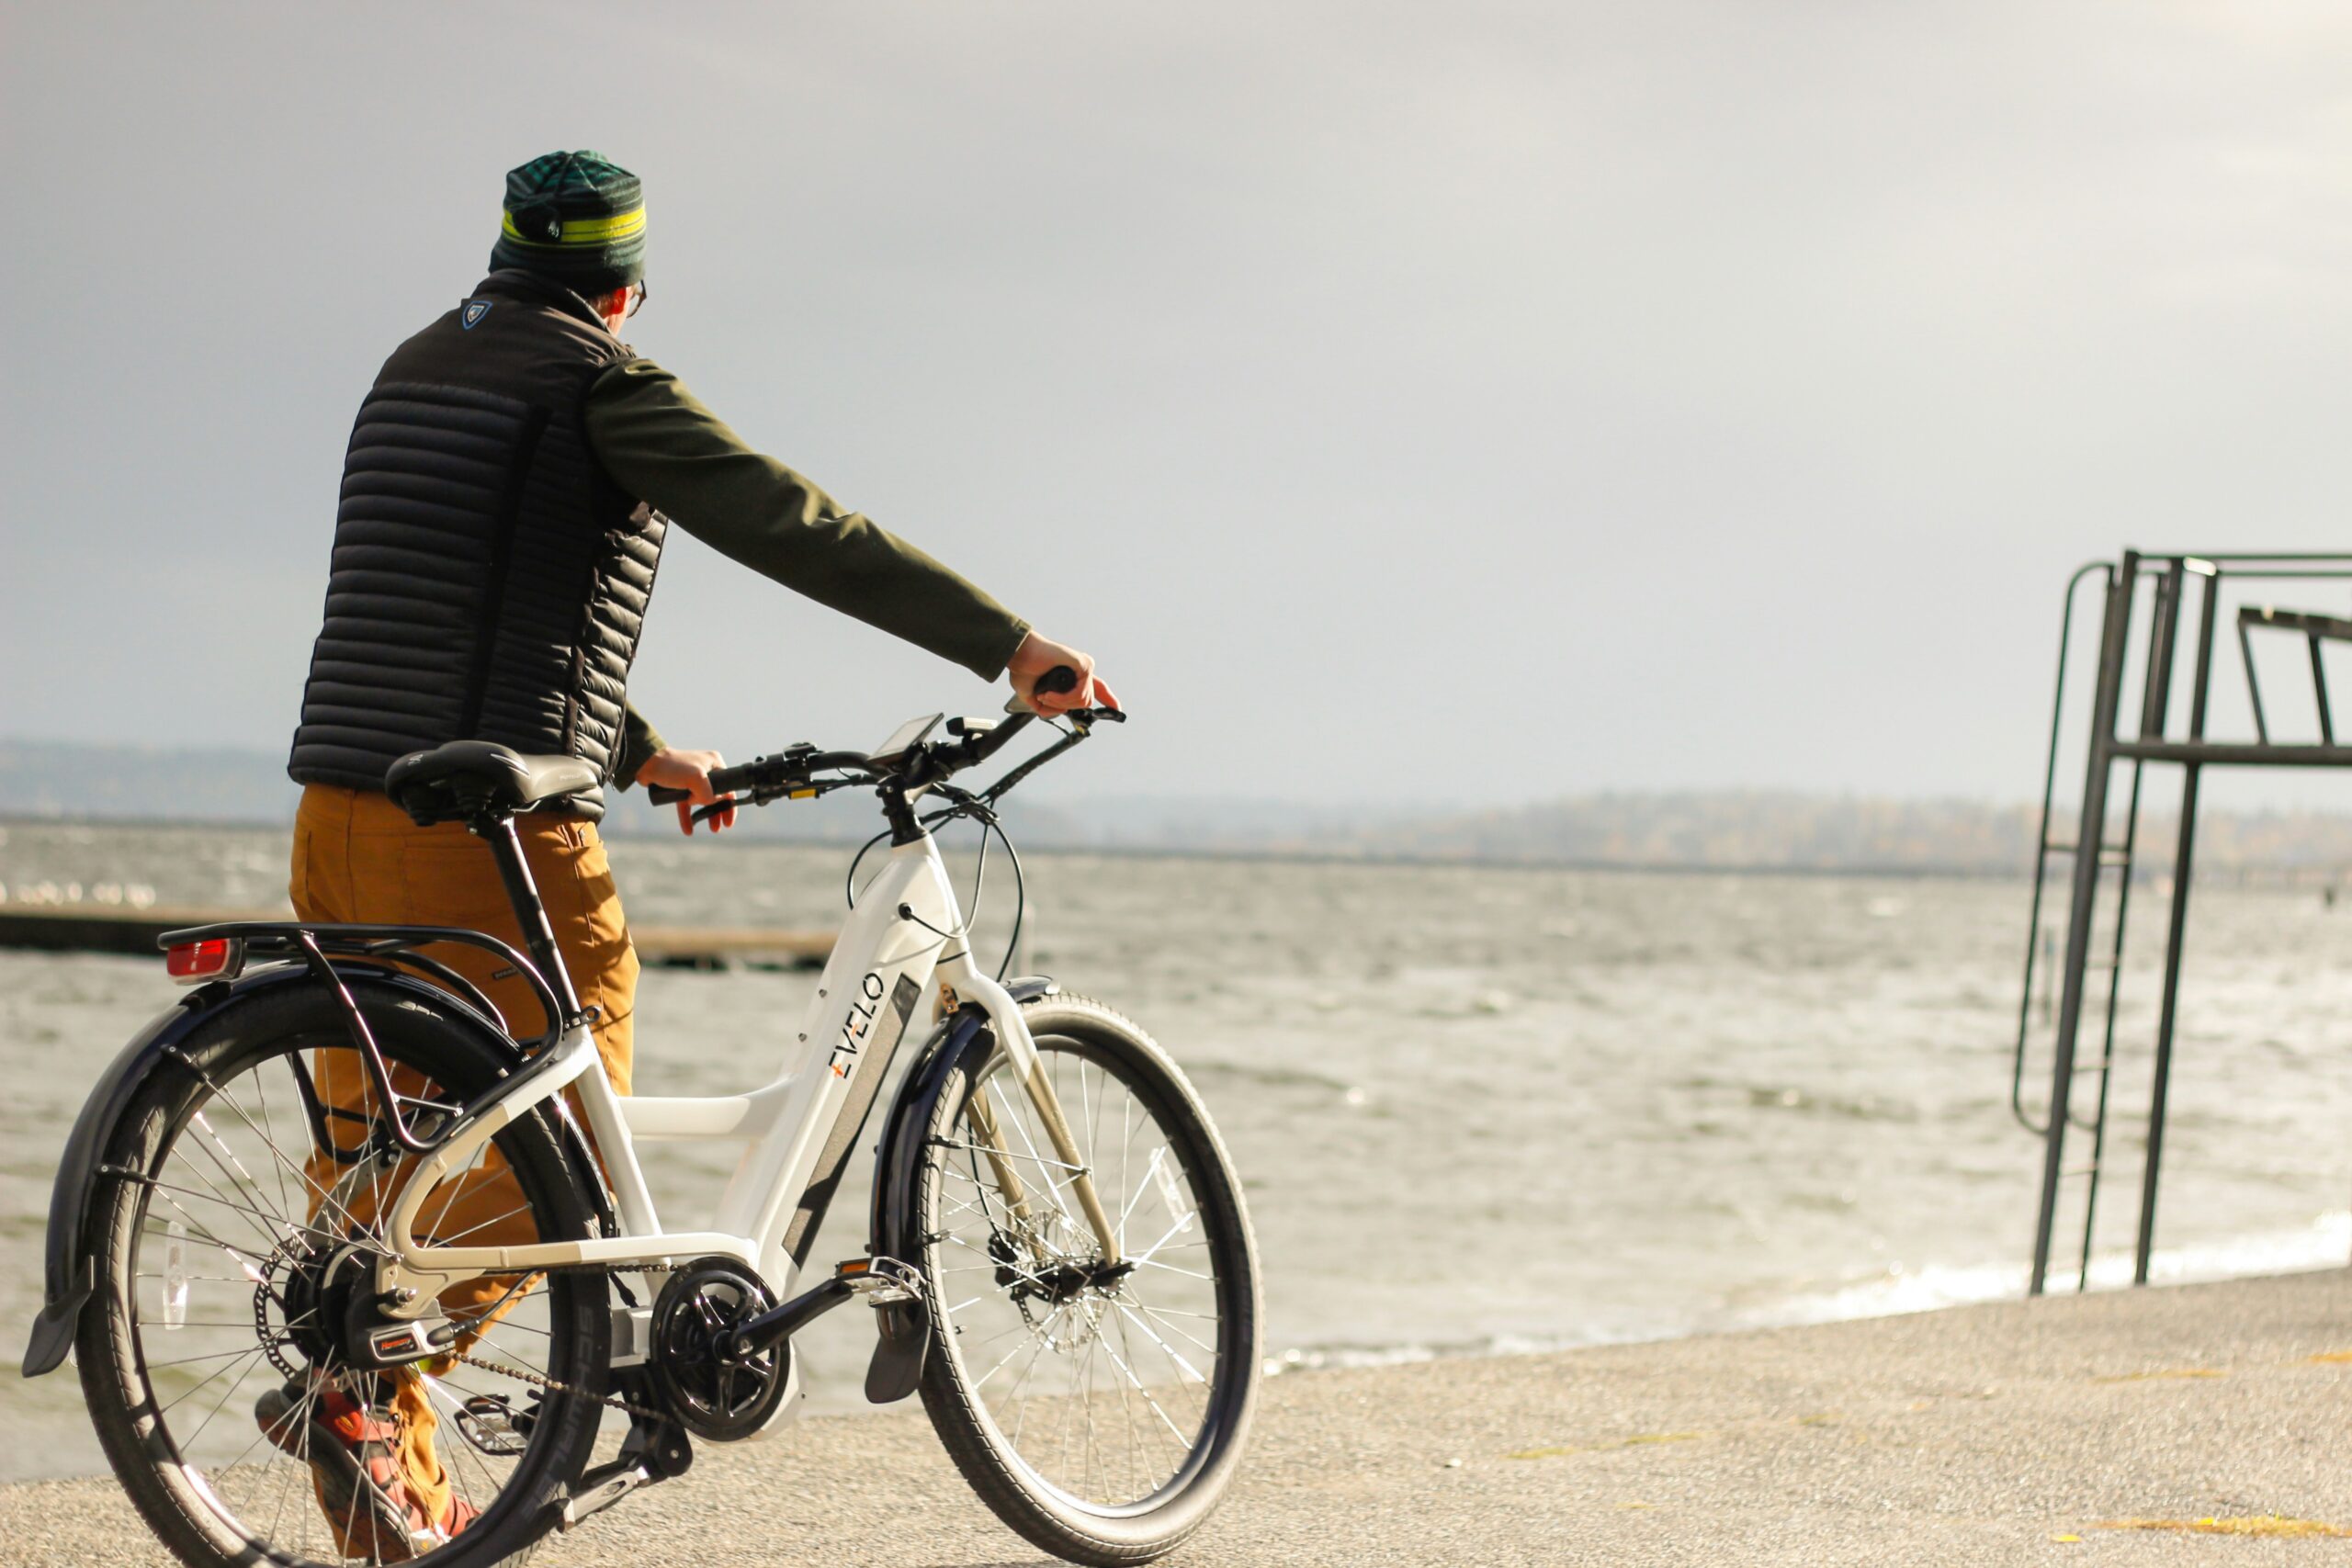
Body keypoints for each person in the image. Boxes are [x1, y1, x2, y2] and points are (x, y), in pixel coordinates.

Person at [264, 149, 1114, 1558]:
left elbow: (471, 585)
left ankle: (390, 1498)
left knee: (387, 1154)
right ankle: (368, 1364)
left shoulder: (416, 368)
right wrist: (1008, 646)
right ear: (625, 284)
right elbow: (790, 520)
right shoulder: (599, 382)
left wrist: (639, 742)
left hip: (342, 802)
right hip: (486, 836)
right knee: (564, 1099)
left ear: (505, 258)